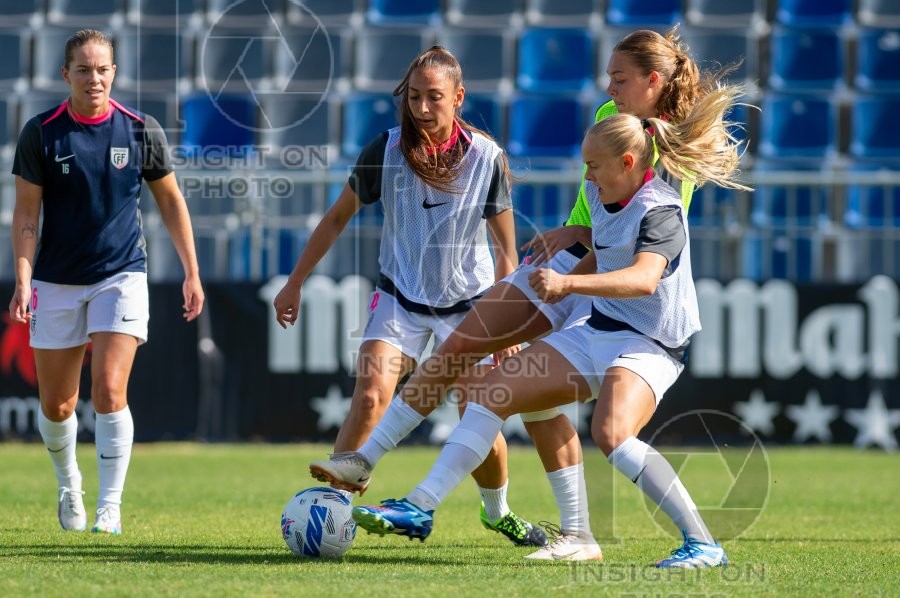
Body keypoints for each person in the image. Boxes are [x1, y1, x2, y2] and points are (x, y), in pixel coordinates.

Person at [310, 28, 738, 560]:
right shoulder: (613, 117)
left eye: (620, 78)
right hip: (580, 262)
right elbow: (602, 216)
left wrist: (572, 269)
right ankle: (371, 464)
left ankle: (581, 531)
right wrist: (571, 233)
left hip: (612, 289)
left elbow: (638, 247)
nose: (609, 87)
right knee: (473, 357)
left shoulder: (670, 164)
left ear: (653, 82)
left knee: (542, 405)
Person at [273, 46, 547, 547]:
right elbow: (337, 218)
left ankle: (497, 511)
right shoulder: (385, 149)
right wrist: (295, 282)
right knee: (372, 392)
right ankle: (332, 514)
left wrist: (507, 323)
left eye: (434, 98)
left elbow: (506, 249)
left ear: (458, 98)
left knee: (478, 414)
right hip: (399, 296)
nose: (421, 108)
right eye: (414, 96)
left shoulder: (487, 157)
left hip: (470, 306)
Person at [8, 29, 205, 535]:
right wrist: (24, 278)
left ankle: (109, 507)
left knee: (111, 389)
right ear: (65, 74)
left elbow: (170, 201)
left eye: (102, 69)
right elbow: (27, 214)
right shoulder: (41, 133)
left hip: (121, 274)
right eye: (83, 69)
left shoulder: (140, 130)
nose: (93, 78)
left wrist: (191, 270)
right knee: (58, 404)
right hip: (55, 280)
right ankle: (69, 484)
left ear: (114, 72)